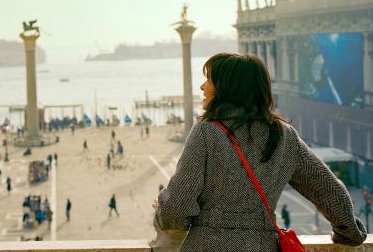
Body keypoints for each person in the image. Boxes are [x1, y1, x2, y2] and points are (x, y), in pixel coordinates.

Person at [152, 52, 367, 251]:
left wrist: (162, 212)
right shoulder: (284, 135)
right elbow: (328, 189)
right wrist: (350, 233)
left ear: (227, 87)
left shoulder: (206, 132)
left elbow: (177, 209)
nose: (202, 87)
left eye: (209, 80)